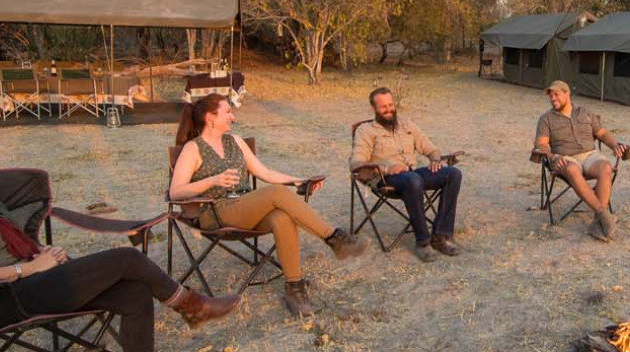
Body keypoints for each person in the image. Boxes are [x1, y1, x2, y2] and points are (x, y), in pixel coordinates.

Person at [0, 136, 239, 352]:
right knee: (127, 258)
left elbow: (13, 244)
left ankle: (191, 308)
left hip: (27, 284)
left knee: (132, 294)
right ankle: (192, 306)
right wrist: (26, 268)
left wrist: (39, 254)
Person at [170, 93, 367, 317]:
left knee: (281, 217)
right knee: (276, 194)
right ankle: (334, 238)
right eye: (228, 112)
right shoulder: (193, 148)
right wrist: (212, 180)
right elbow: (176, 191)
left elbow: (264, 173)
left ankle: (294, 288)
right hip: (216, 212)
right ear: (210, 118)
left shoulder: (235, 141)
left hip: (244, 207)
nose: (233, 117)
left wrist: (298, 180)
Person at [349, 87, 464, 262]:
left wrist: (435, 159)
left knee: (453, 174)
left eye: (391, 104)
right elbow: (356, 163)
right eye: (383, 107)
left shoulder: (407, 124)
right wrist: (386, 167)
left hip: (412, 174)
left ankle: (441, 236)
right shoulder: (365, 131)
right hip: (386, 179)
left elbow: (430, 147)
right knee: (413, 180)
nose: (389, 109)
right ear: (374, 109)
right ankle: (423, 242)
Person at [534, 80, 627, 241]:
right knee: (572, 169)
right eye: (550, 96)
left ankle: (599, 221)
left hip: (590, 155)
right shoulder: (546, 119)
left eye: (556, 94)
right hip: (566, 159)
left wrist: (614, 145)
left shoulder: (585, 112)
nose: (552, 98)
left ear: (566, 94)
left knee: (606, 167)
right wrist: (553, 157)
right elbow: (541, 144)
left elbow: (603, 134)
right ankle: (604, 215)